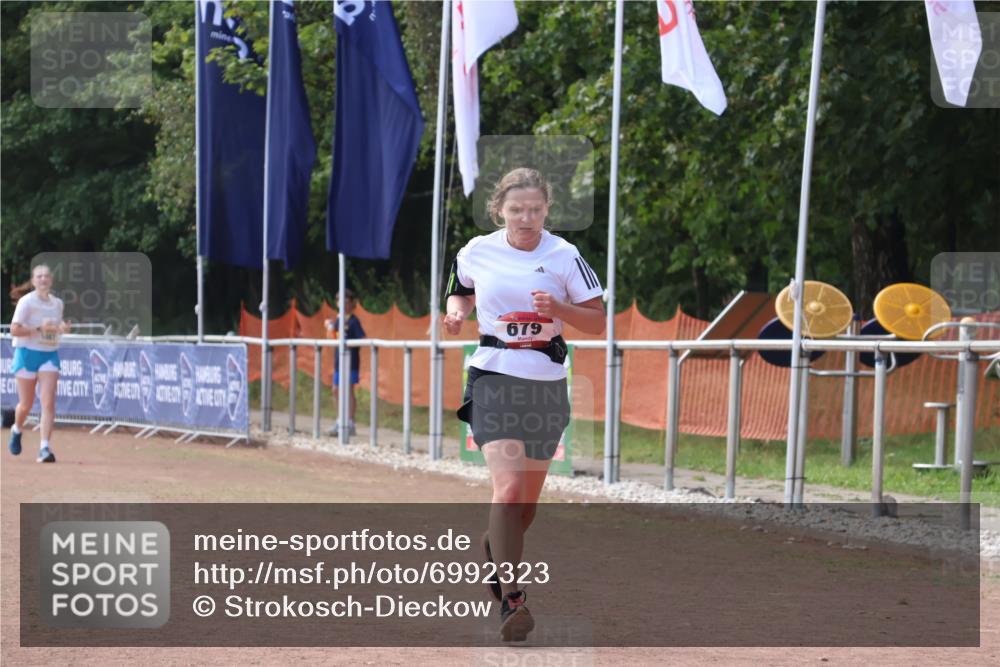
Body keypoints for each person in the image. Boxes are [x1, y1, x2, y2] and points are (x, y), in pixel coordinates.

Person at [443, 168, 605, 642]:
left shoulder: (565, 255)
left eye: (535, 209)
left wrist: (559, 310)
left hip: (546, 384)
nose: (526, 218)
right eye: (517, 210)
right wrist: (456, 314)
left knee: (525, 508)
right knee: (509, 489)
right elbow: (460, 290)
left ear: (547, 210)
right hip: (493, 376)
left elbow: (597, 322)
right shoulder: (477, 250)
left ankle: (496, 548)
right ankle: (513, 599)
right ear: (500, 211)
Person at [7, 264, 72, 463]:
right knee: (26, 405)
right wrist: (38, 328)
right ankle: (17, 429)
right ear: (34, 281)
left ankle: (44, 448)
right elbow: (14, 330)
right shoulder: (26, 302)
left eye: (46, 276)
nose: (43, 279)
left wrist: (62, 329)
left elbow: (54, 329)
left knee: (48, 402)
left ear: (51, 280)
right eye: (39, 276)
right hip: (26, 353)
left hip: (48, 354)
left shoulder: (57, 304)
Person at [324, 288, 366, 437]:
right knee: (336, 389)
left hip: (351, 362)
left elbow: (362, 339)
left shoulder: (353, 321)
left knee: (348, 390)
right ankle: (339, 420)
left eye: (346, 301)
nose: (342, 304)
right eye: (339, 301)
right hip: (338, 362)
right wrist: (330, 327)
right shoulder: (339, 319)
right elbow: (334, 337)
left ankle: (350, 422)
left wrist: (349, 343)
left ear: (350, 302)